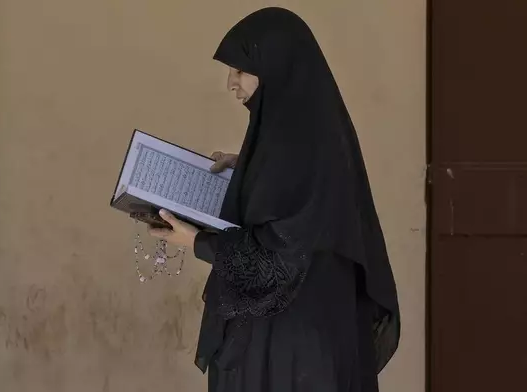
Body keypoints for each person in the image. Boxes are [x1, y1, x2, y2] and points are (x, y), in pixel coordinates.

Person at [149, 7, 400, 392]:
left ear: (277, 66)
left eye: (241, 70)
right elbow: (290, 198)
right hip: (302, 336)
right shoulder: (307, 133)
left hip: (290, 346)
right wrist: (246, 168)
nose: (232, 83)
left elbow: (278, 258)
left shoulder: (298, 145)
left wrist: (195, 241)